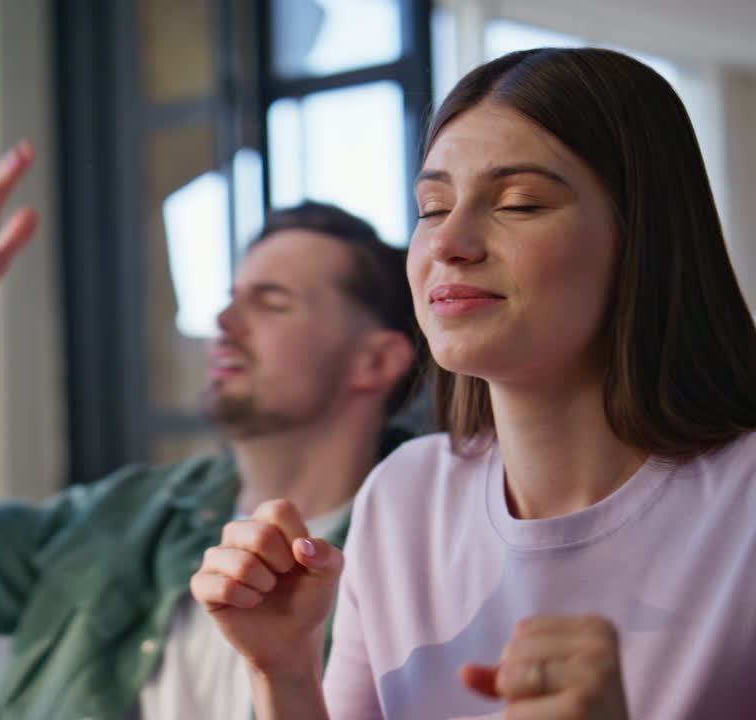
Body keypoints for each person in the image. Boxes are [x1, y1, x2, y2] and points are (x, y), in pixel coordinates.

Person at [192, 46, 756, 720]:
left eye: (519, 204)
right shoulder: (404, 496)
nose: (447, 242)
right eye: (431, 208)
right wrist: (282, 673)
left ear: (643, 237)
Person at [0, 142, 420, 719]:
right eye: (231, 296)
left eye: (272, 301)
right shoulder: (128, 517)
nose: (224, 320)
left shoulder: (420, 558)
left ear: (375, 360)